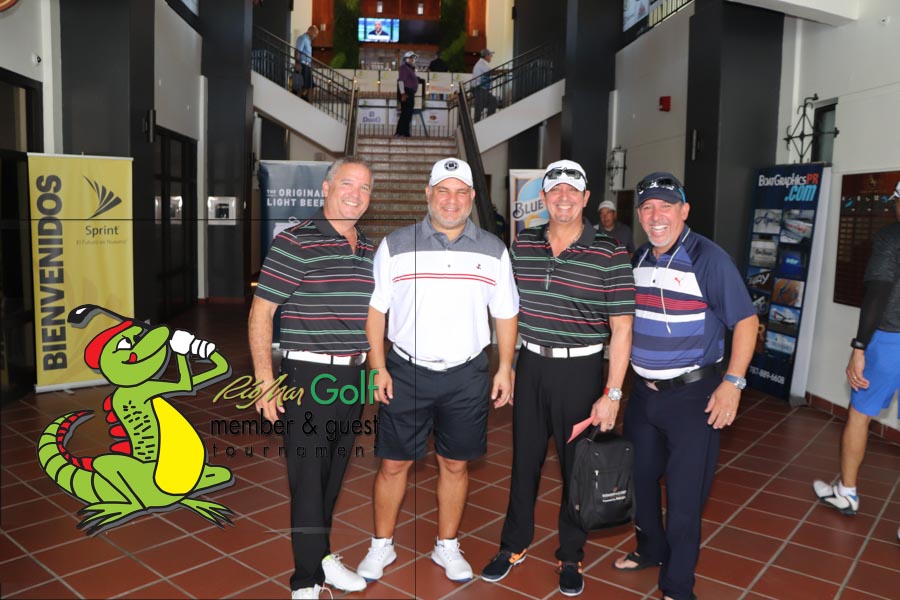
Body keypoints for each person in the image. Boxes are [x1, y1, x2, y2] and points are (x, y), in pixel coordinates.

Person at [357, 158, 519, 584]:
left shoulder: (493, 250)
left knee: (455, 464)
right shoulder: (395, 245)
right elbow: (376, 311)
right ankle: (381, 545)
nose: (452, 200)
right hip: (406, 371)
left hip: (467, 375)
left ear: (472, 197)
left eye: (461, 192)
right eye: (443, 190)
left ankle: (446, 545)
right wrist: (378, 367)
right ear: (428, 194)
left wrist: (505, 367)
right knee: (393, 464)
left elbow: (505, 313)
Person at [481, 160, 635, 597]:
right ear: (544, 199)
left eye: (572, 190)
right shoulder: (523, 244)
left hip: (580, 371)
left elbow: (622, 328)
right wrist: (508, 364)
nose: (563, 198)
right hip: (532, 366)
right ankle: (513, 545)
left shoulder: (609, 252)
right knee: (524, 463)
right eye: (555, 191)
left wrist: (613, 393)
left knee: (577, 468)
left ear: (585, 198)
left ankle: (571, 554)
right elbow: (507, 310)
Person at [612, 172, 758, 600]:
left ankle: (677, 586)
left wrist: (733, 383)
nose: (656, 216)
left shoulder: (708, 258)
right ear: (640, 214)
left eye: (666, 206)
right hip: (644, 395)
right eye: (648, 207)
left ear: (684, 210)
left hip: (694, 398)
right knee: (640, 481)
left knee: (684, 497)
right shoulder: (639, 258)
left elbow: (746, 322)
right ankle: (650, 549)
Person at [248, 157, 375, 600]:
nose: (356, 194)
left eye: (364, 187)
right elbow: (262, 312)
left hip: (354, 375)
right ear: (326, 188)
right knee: (307, 478)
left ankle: (321, 556)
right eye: (348, 184)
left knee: (332, 475)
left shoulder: (369, 247)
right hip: (308, 375)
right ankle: (305, 579)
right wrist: (265, 379)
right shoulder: (295, 240)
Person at [813, 189, 900, 531]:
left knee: (860, 415)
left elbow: (878, 293)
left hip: (890, 340)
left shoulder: (891, 236)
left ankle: (847, 493)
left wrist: (859, 347)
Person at [395, 51, 418, 137]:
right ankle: (401, 132)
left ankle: (404, 131)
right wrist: (403, 93)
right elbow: (401, 81)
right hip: (406, 91)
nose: (413, 60)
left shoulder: (410, 69)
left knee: (407, 113)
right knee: (406, 112)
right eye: (411, 58)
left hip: (409, 92)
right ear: (407, 59)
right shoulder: (404, 68)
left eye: (413, 58)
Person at [472, 48, 499, 122]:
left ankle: (484, 122)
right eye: (490, 55)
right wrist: (502, 71)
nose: (491, 57)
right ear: (486, 56)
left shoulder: (483, 63)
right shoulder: (481, 64)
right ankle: (481, 123)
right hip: (479, 89)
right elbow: (490, 72)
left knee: (491, 102)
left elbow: (489, 73)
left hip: (481, 89)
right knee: (481, 106)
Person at [293, 25, 318, 101]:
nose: (315, 36)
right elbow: (297, 51)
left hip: (307, 65)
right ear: (309, 31)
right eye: (314, 33)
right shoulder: (302, 38)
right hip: (302, 66)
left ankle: (308, 104)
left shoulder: (308, 40)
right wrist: (297, 64)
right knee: (303, 87)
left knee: (311, 86)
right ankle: (296, 101)